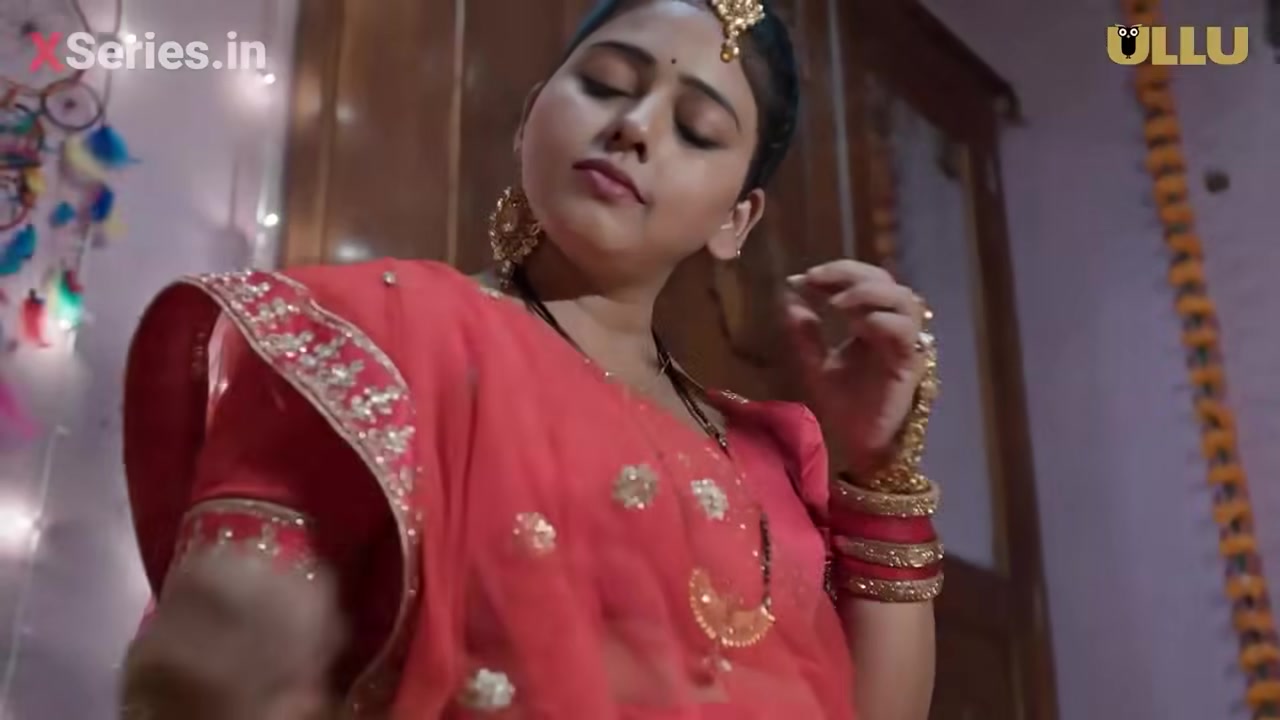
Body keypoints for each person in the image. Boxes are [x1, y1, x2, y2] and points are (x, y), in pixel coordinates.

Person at [119, 0, 944, 717]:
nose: (634, 126)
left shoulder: (770, 455)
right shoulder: (374, 340)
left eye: (697, 131)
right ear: (529, 117)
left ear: (735, 220)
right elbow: (216, 670)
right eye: (606, 85)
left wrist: (878, 473)